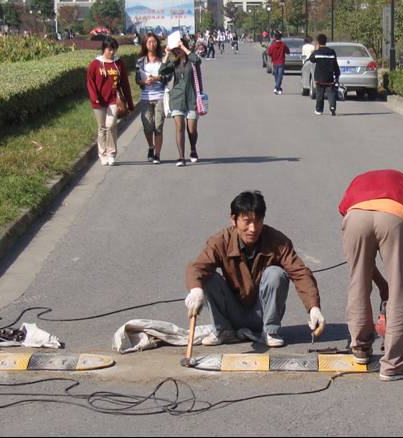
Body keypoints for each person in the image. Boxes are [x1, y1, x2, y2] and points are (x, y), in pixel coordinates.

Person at [185, 191, 324, 348]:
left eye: (258, 221)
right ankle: (222, 330)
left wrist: (313, 307)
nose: (253, 228)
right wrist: (196, 290)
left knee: (276, 274)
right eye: (247, 222)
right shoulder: (220, 241)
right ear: (234, 220)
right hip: (232, 313)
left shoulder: (278, 241)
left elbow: (300, 272)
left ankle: (270, 331)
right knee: (207, 278)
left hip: (262, 314)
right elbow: (197, 268)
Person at [337, 169, 403, 382]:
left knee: (357, 283)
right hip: (394, 216)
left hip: (355, 216)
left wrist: (376, 280)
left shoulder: (358, 180)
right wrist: (398, 277)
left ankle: (360, 349)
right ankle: (393, 364)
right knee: (400, 291)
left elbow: (344, 210)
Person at [86, 37, 134, 166]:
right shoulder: (95, 64)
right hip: (98, 101)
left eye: (114, 49)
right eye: (109, 49)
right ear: (104, 49)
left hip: (113, 99)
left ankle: (111, 153)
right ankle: (103, 154)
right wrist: (94, 96)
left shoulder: (118, 63)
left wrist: (130, 103)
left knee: (111, 125)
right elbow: (90, 82)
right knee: (101, 127)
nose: (112, 52)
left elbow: (124, 83)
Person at [158, 32, 204, 167]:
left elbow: (197, 60)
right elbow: (162, 71)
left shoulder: (192, 61)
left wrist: (183, 47)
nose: (178, 51)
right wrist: (166, 54)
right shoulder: (174, 63)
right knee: (179, 128)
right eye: (176, 50)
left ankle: (193, 149)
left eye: (179, 49)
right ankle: (181, 157)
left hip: (192, 98)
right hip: (177, 98)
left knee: (192, 130)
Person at [136, 33, 168, 164]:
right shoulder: (140, 61)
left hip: (160, 96)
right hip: (146, 98)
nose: (152, 44)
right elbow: (137, 79)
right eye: (149, 42)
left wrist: (157, 78)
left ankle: (157, 155)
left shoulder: (163, 60)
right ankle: (151, 146)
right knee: (148, 126)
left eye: (154, 42)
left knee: (158, 126)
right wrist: (144, 82)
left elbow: (168, 76)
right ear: (145, 44)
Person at [309, 34, 341, 116]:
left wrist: (316, 49)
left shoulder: (316, 53)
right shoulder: (332, 52)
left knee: (320, 94)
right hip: (330, 77)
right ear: (326, 42)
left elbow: (311, 59)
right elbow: (335, 64)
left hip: (319, 77)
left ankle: (319, 110)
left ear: (318, 42)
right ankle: (332, 108)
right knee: (331, 93)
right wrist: (337, 74)